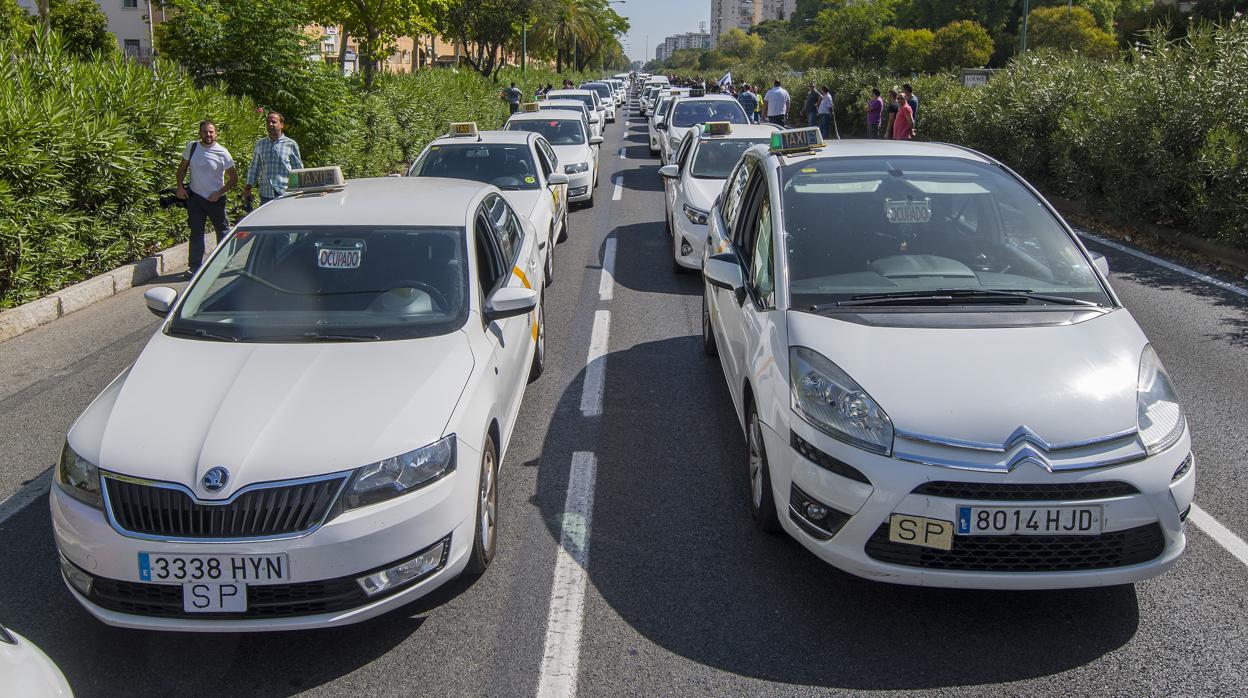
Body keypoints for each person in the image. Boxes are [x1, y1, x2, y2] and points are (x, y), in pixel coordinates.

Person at [175, 120, 237, 274]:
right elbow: (181, 169)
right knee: (196, 232)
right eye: (205, 132)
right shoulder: (192, 147)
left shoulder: (222, 152)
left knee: (222, 230)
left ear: (216, 133)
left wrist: (218, 193)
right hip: (195, 198)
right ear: (200, 133)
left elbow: (234, 178)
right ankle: (194, 267)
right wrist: (180, 187)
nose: (208, 135)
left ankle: (224, 261)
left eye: (211, 132)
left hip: (215, 200)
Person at [243, 111, 303, 207]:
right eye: (268, 122)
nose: (270, 124)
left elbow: (298, 169)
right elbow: (254, 168)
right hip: (266, 194)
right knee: (267, 221)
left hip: (285, 193)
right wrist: (248, 188)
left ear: (281, 125)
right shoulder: (261, 144)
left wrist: (300, 190)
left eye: (274, 122)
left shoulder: (291, 144)